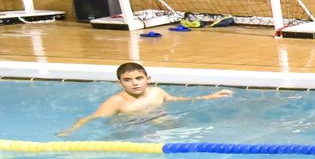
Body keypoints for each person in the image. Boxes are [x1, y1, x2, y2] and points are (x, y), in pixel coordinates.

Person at [59, 62, 230, 136]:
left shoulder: (157, 92)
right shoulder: (117, 102)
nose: (134, 83)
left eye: (139, 78)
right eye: (127, 80)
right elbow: (91, 118)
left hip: (156, 123)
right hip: (130, 129)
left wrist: (208, 97)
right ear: (119, 83)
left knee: (171, 122)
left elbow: (177, 99)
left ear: (148, 79)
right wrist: (69, 131)